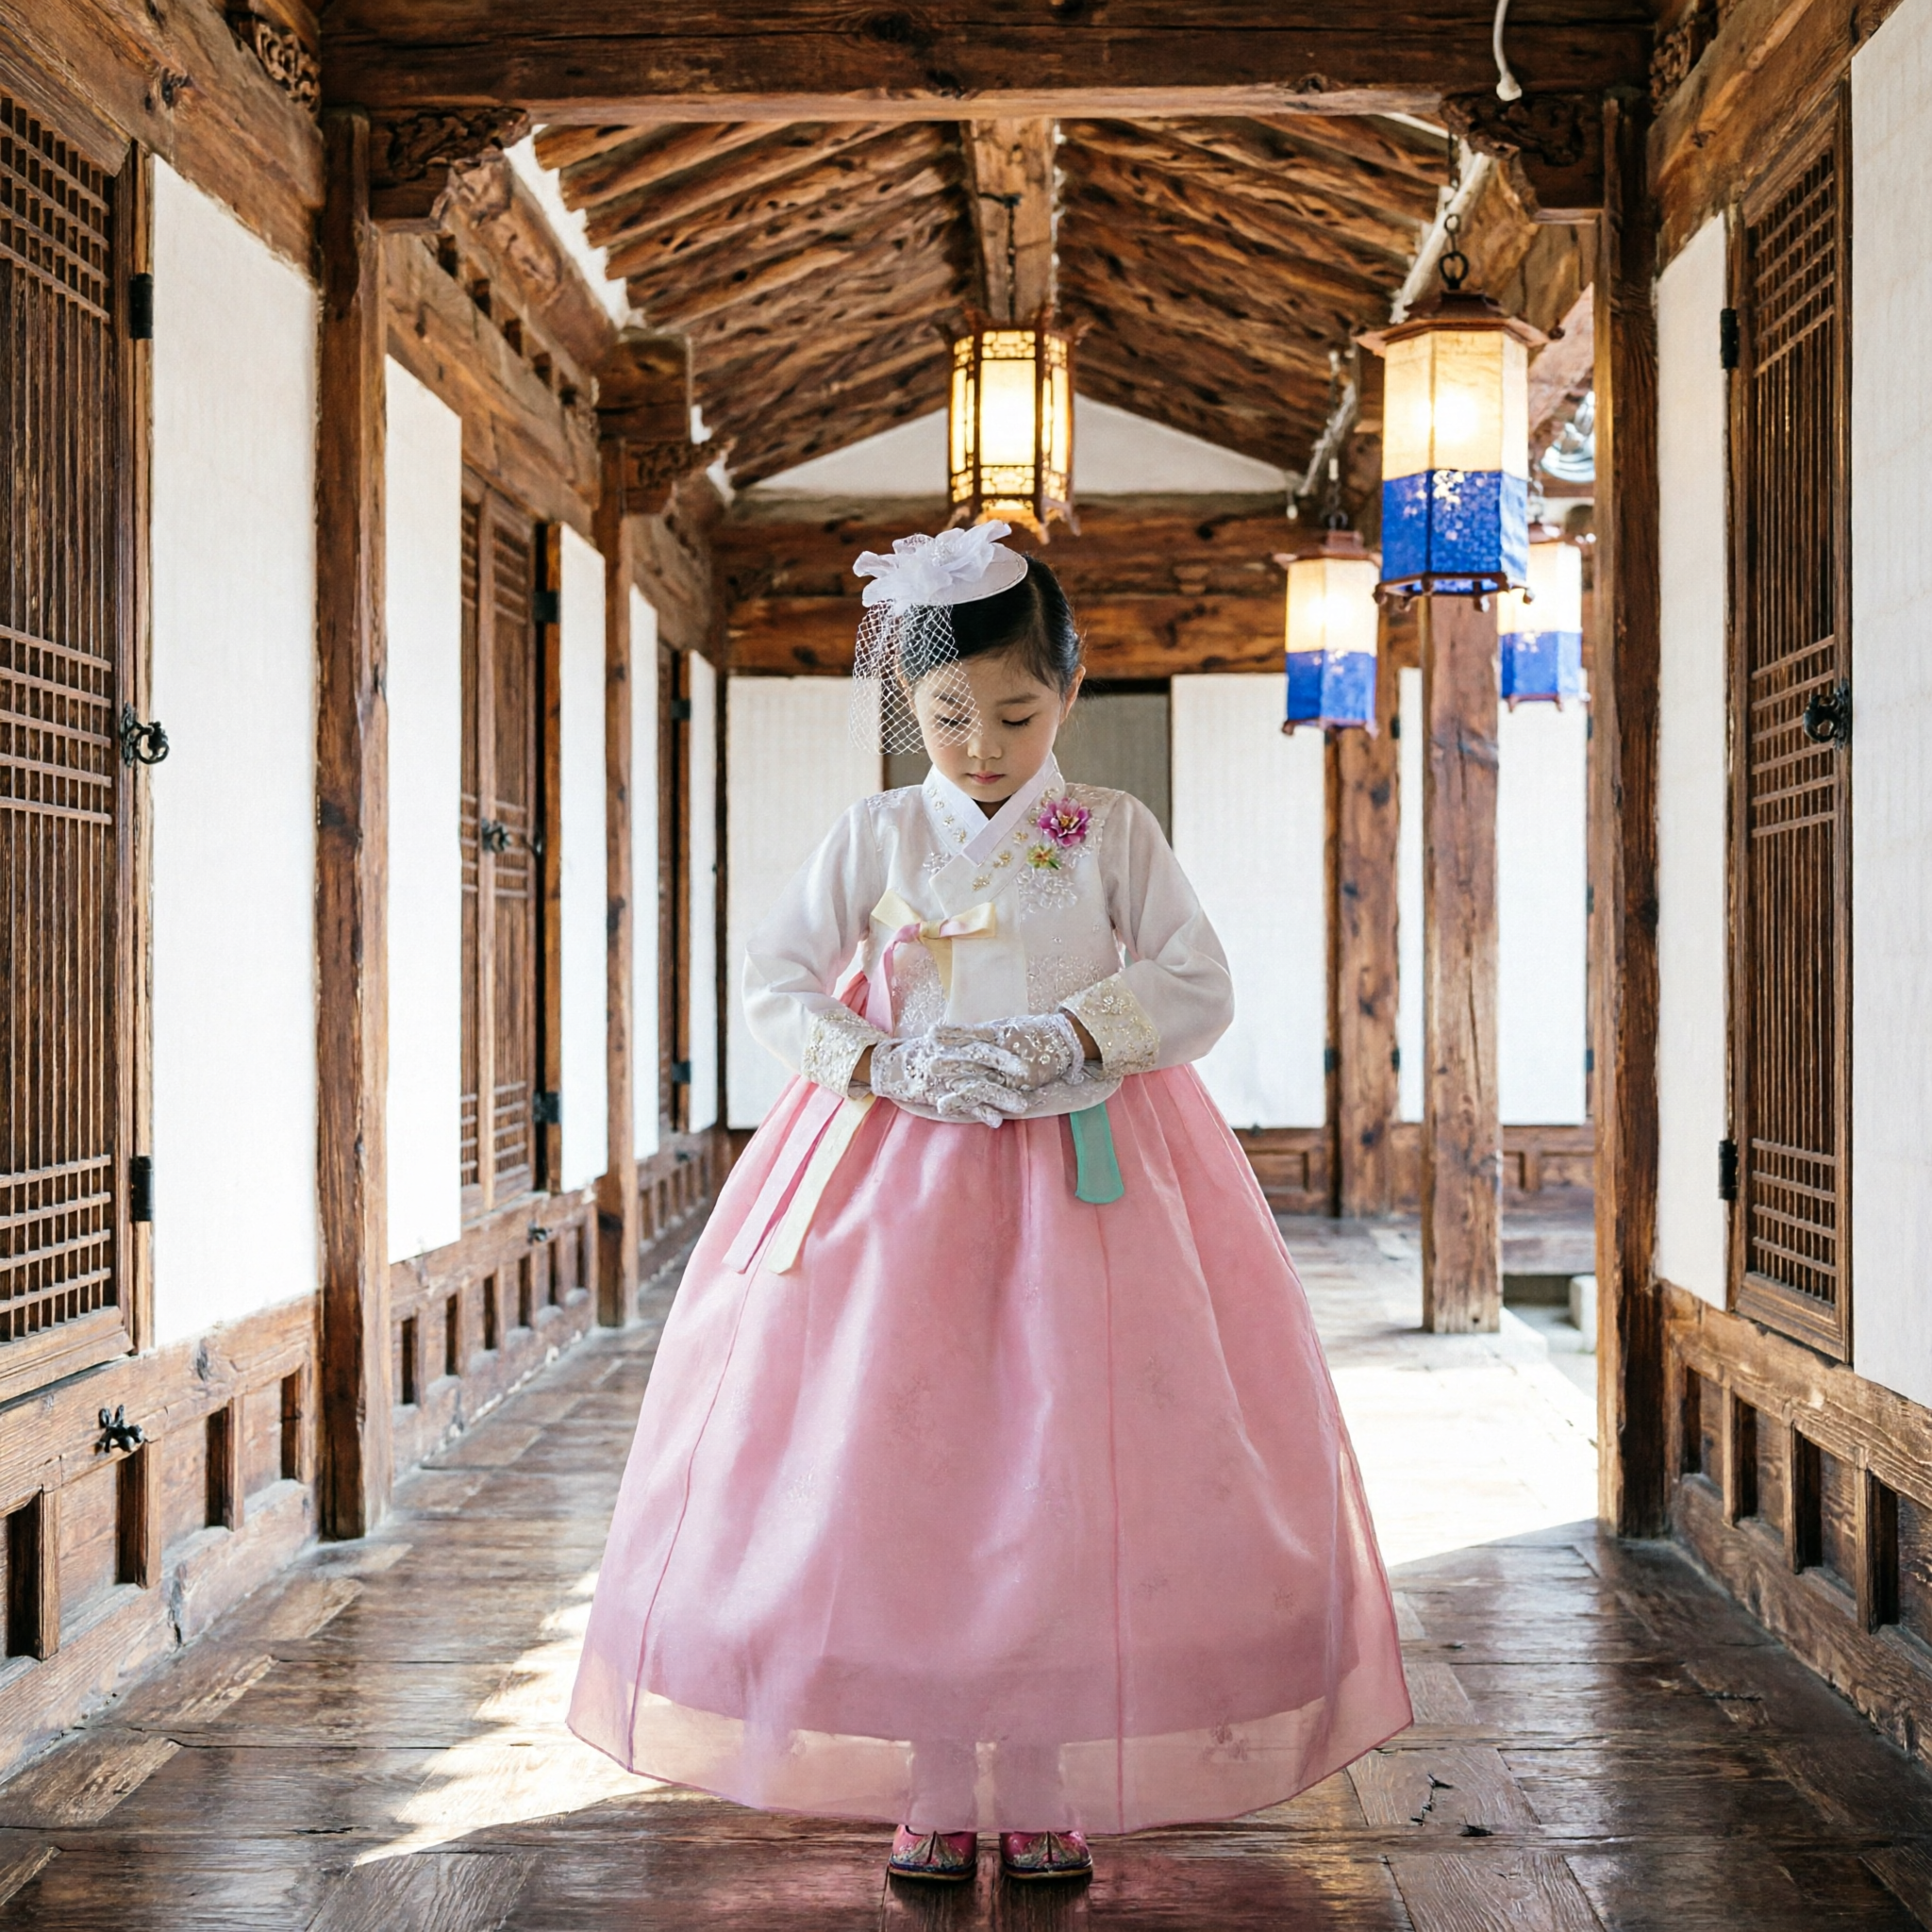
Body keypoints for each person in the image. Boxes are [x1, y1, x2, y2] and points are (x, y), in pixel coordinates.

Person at [568, 523, 1412, 1889]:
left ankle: (1040, 1770)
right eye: (949, 715)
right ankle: (934, 1772)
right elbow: (774, 976)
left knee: (1064, 1461)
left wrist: (1070, 1038)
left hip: (1088, 1178)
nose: (980, 746)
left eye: (1016, 713)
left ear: (1068, 695)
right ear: (911, 705)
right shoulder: (882, 830)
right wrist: (879, 1056)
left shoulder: (1106, 831)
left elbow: (1198, 984)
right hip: (893, 1175)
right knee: (911, 1466)